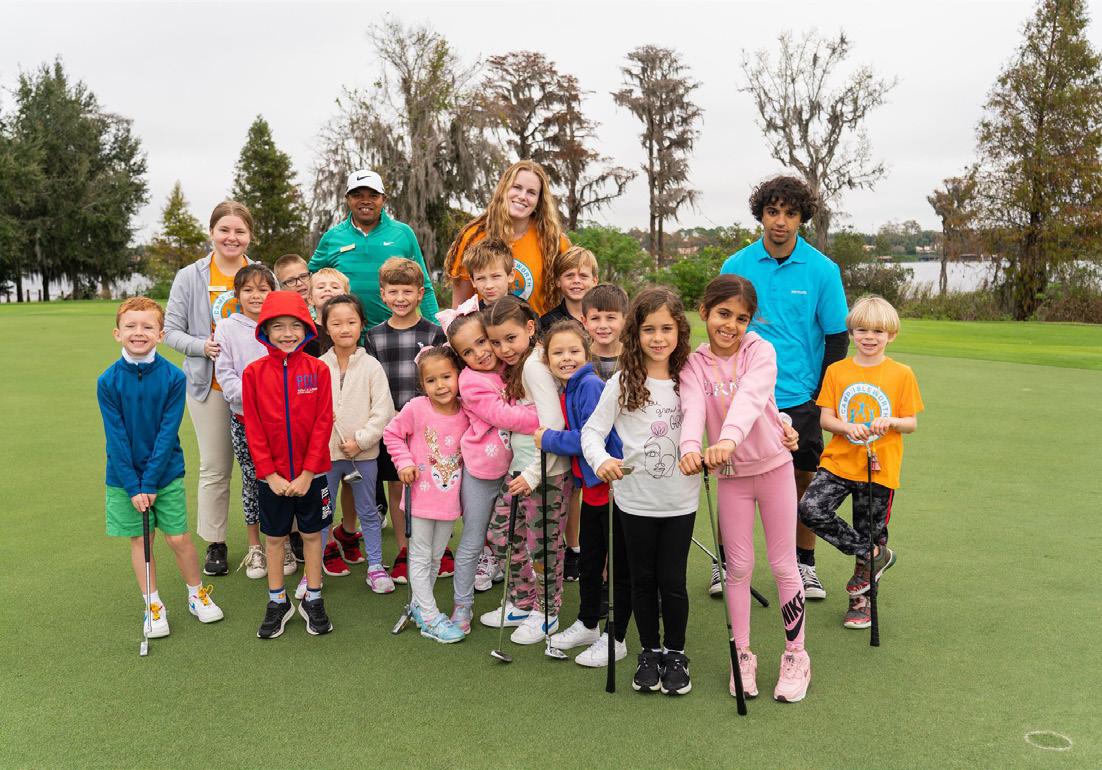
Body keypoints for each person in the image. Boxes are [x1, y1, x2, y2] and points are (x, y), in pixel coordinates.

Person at [679, 274, 811, 703]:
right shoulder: (694, 365)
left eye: (741, 318)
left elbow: (752, 399)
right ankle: (742, 654)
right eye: (723, 314)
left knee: (784, 565)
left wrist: (727, 440)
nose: (731, 325)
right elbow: (693, 409)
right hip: (732, 479)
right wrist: (688, 448)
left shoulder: (760, 350)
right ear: (704, 311)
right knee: (737, 568)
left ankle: (796, 655)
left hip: (774, 469)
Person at [720, 176, 849, 601]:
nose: (780, 221)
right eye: (772, 211)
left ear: (801, 218)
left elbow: (836, 337)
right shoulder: (736, 265)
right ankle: (727, 564)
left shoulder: (822, 270)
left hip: (799, 396)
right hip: (742, 394)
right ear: (761, 214)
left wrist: (820, 396)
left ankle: (803, 564)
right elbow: (722, 328)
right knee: (733, 476)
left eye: (790, 213)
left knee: (802, 479)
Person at [581, 287, 700, 697]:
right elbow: (592, 432)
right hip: (634, 501)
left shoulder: (690, 381)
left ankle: (676, 653)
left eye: (666, 328)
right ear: (635, 333)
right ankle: (649, 651)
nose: (658, 337)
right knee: (643, 580)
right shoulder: (622, 381)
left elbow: (721, 417)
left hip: (680, 501)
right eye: (649, 329)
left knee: (673, 580)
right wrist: (601, 461)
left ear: (679, 331)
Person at [98, 297, 224, 638]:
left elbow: (167, 434)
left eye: (147, 326)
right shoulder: (108, 381)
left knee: (179, 538)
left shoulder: (173, 377)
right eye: (130, 326)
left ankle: (196, 594)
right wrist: (134, 486)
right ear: (117, 333)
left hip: (165, 474)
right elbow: (116, 438)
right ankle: (153, 604)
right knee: (142, 539)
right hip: (123, 478)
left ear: (161, 334)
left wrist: (150, 483)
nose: (139, 332)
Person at [798, 295, 923, 629]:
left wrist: (891, 422)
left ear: (891, 335)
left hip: (879, 466)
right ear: (851, 332)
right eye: (862, 330)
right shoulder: (837, 371)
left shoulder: (901, 374)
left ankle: (861, 603)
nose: (869, 337)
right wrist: (846, 427)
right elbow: (826, 418)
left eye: (878, 331)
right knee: (810, 508)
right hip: (839, 462)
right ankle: (874, 554)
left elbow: (910, 422)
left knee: (871, 528)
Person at [164, 201, 258, 577]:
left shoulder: (261, 274)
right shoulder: (190, 276)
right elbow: (171, 331)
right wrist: (201, 345)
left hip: (257, 389)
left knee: (265, 467)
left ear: (249, 236)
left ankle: (277, 538)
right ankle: (216, 542)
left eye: (239, 231)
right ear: (212, 233)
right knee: (216, 467)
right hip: (209, 385)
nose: (231, 238)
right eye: (224, 230)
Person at [538, 321, 632, 668]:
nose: (567, 358)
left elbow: (590, 437)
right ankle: (589, 623)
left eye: (574, 351)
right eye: (558, 353)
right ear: (547, 359)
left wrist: (548, 438)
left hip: (612, 489)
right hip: (592, 491)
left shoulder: (590, 384)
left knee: (615, 566)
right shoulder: (568, 387)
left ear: (587, 351)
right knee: (590, 562)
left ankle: (615, 635)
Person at [478, 296, 571, 645]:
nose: (504, 349)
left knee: (544, 547)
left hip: (546, 474)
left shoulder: (534, 364)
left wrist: (533, 475)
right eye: (496, 342)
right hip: (520, 471)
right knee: (502, 535)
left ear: (530, 328)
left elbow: (553, 424)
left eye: (510, 338)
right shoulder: (520, 365)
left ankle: (547, 612)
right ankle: (522, 601)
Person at [442, 301, 540, 632]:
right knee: (474, 538)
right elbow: (504, 416)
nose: (480, 353)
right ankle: (462, 606)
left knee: (518, 535)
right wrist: (545, 417)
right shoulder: (470, 381)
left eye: (482, 342)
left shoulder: (511, 364)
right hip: (483, 472)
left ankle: (526, 598)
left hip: (518, 469)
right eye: (468, 352)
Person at [242, 291, 334, 638]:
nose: (287, 333)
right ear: (265, 330)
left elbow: (323, 422)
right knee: (275, 539)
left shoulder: (318, 370)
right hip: (272, 479)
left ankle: (313, 598)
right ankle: (277, 601)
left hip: (313, 475)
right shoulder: (253, 373)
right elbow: (253, 428)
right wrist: (270, 474)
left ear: (307, 328)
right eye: (278, 326)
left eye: (295, 326)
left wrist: (309, 472)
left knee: (311, 535)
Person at [365, 257, 448, 583]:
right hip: (394, 429)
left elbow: (443, 379)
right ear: (383, 294)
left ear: (420, 293)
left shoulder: (434, 333)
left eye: (407, 291)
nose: (400, 298)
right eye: (393, 291)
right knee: (398, 487)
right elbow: (374, 384)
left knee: (435, 485)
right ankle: (404, 550)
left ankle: (437, 549)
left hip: (430, 427)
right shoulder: (374, 336)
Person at [212, 264, 296, 580]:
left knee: (283, 478)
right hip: (245, 419)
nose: (256, 295)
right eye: (248, 290)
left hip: (282, 422)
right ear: (237, 295)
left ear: (273, 292)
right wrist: (260, 399)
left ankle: (283, 542)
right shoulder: (226, 328)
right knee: (252, 480)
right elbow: (226, 376)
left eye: (263, 289)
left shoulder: (281, 326)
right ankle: (255, 546)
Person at [382, 346, 470, 644]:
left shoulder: (467, 409)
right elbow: (392, 434)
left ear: (458, 376)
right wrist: (404, 462)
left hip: (449, 500)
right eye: (431, 380)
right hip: (420, 498)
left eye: (446, 377)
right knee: (420, 556)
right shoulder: (417, 408)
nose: (440, 385)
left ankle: (420, 607)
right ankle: (431, 617)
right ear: (422, 384)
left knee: (435, 556)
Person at [320, 294, 396, 595]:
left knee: (368, 511)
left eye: (351, 322)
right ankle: (313, 571)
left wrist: (361, 441)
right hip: (325, 456)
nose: (344, 329)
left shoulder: (372, 367)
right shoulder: (318, 366)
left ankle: (375, 566)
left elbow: (383, 412)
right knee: (322, 513)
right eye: (336, 323)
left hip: (362, 456)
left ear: (362, 325)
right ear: (326, 327)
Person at [309, 169, 439, 327]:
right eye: (357, 195)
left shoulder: (403, 234)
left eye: (373, 196)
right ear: (347, 199)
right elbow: (307, 281)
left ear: (384, 199)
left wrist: (437, 328)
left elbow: (423, 285)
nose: (365, 201)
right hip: (346, 334)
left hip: (393, 333)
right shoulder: (332, 237)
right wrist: (312, 317)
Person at [445, 160, 569, 315]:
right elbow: (459, 306)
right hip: (486, 328)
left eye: (531, 192)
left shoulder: (554, 241)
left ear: (539, 201)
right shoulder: (474, 236)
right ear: (504, 189)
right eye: (517, 187)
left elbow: (573, 299)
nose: (522, 196)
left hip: (538, 329)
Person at [540, 246, 599, 328]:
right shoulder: (546, 323)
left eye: (583, 276)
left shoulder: (606, 317)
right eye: (569, 276)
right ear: (558, 281)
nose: (576, 280)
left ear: (594, 281)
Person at [581, 284, 628, 380]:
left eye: (611, 317)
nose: (603, 325)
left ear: (625, 320)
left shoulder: (634, 357)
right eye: (595, 318)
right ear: (585, 322)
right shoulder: (580, 358)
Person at [463, 237, 515, 308]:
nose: (489, 286)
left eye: (496, 276)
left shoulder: (523, 311)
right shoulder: (470, 314)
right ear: (473, 281)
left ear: (511, 275)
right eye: (480, 278)